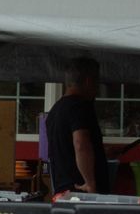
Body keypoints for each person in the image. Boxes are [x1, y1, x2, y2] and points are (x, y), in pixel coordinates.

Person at [44, 57, 110, 194]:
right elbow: (80, 143)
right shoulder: (79, 107)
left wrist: (101, 151)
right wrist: (90, 183)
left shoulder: (55, 110)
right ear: (88, 81)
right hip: (82, 191)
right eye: (97, 82)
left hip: (63, 189)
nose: (97, 88)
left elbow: (65, 149)